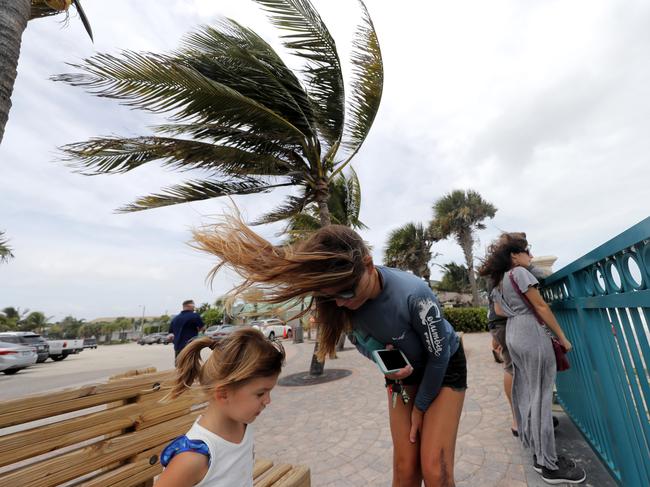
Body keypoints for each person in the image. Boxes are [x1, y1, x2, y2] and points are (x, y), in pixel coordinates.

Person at [192, 216, 467, 487]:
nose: (339, 302)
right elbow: (362, 343)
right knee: (405, 469)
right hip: (401, 376)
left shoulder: (414, 294)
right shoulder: (336, 301)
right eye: (330, 296)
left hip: (443, 370)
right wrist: (383, 360)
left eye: (346, 293)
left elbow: (439, 355)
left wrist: (421, 407)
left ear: (369, 264)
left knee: (435, 471)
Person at [479, 233, 586, 484]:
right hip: (531, 334)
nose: (532, 256)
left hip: (514, 332)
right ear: (514, 256)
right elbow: (540, 307)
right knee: (542, 396)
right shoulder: (520, 273)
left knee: (528, 392)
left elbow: (497, 310)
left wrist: (516, 311)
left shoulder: (501, 280)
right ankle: (547, 464)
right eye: (527, 251)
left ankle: (538, 450)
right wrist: (562, 338)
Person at [155, 328, 285, 487]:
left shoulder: (243, 424)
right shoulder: (193, 458)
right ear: (223, 394)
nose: (268, 401)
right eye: (260, 394)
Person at [484, 233, 557, 437]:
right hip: (506, 321)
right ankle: (519, 419)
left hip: (501, 322)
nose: (530, 255)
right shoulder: (512, 270)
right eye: (526, 250)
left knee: (517, 369)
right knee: (514, 369)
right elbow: (539, 274)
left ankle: (528, 416)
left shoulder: (496, 269)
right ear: (513, 252)